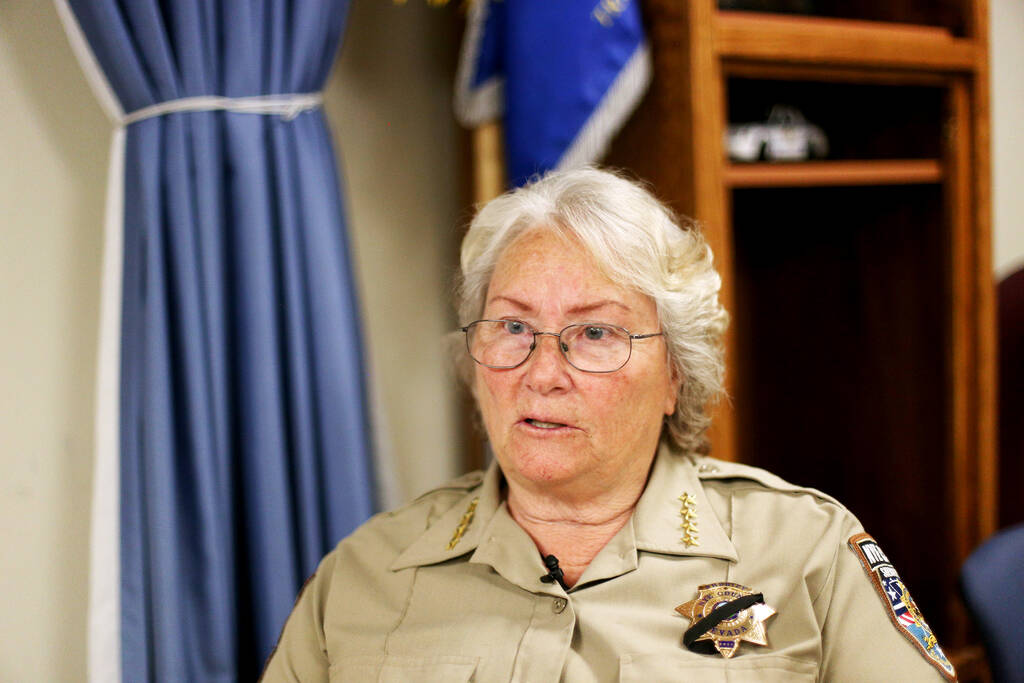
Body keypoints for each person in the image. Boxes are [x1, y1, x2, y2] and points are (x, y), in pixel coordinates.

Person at [261, 167, 956, 681]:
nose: (542, 371)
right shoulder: (363, 574)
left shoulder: (808, 551)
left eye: (594, 332)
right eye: (513, 326)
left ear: (677, 372)